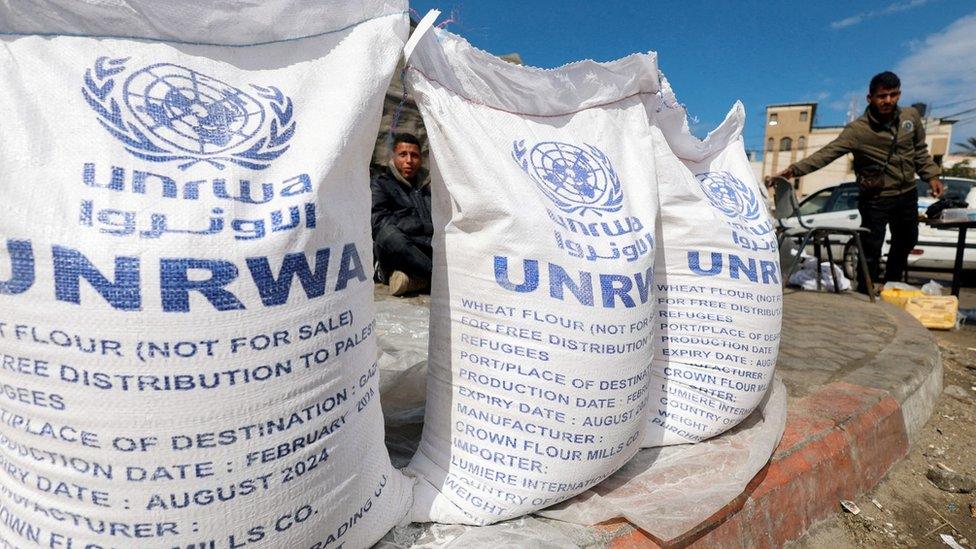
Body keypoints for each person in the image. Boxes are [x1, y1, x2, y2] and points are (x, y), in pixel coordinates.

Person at [771, 71, 944, 292]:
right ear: (870, 98)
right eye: (882, 96)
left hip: (906, 192)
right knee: (871, 246)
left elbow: (920, 151)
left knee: (907, 239)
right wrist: (795, 170)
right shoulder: (858, 131)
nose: (888, 101)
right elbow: (827, 154)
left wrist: (932, 176)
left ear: (899, 94)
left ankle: (893, 284)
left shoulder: (910, 118)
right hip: (876, 197)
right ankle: (866, 287)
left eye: (893, 95)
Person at [371, 133, 433, 296]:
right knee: (389, 235)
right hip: (399, 249)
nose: (409, 161)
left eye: (414, 156)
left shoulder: (426, 187)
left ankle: (413, 281)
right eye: (403, 155)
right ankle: (437, 277)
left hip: (426, 248)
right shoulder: (381, 184)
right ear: (393, 157)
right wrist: (420, 226)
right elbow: (378, 222)